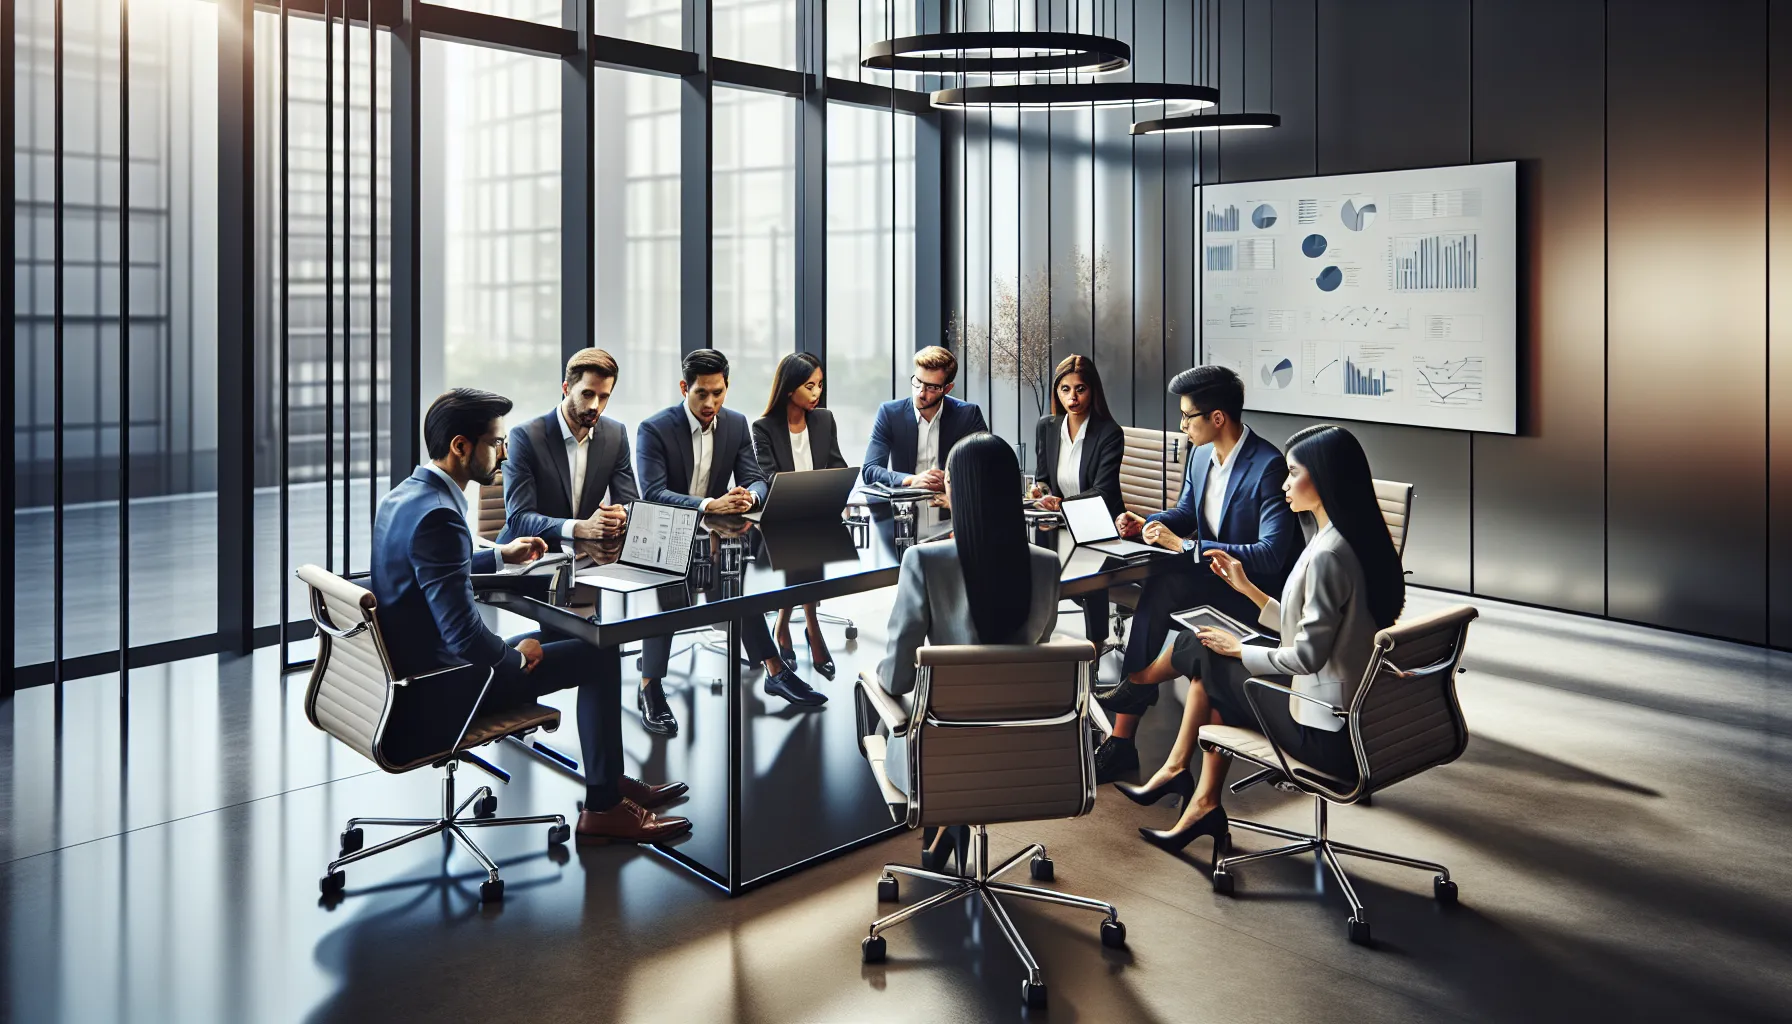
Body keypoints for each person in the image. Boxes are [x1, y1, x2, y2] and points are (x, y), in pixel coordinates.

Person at [371, 388, 690, 844]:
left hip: (413, 672)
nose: (503, 452)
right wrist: (516, 658)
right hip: (443, 688)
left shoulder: (405, 496)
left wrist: (501, 556)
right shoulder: (439, 517)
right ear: (461, 446)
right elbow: (464, 635)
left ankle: (609, 781)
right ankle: (603, 808)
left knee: (589, 644)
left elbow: (430, 570)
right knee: (597, 653)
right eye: (495, 442)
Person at [1118, 424, 1405, 857]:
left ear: (1323, 478)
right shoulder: (1353, 540)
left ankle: (1138, 687)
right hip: (1353, 716)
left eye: (1292, 473)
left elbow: (1307, 655)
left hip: (1325, 733)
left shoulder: (1327, 555)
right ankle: (1195, 794)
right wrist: (1247, 589)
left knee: (1206, 653)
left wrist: (1240, 650)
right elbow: (1310, 625)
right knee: (1209, 663)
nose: (1284, 483)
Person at [1094, 365, 1303, 783]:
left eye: (1188, 416)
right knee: (1162, 583)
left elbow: (1270, 554)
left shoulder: (1268, 466)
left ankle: (1131, 696)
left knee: (1168, 580)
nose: (1182, 425)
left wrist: (1186, 546)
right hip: (1212, 578)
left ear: (1217, 418)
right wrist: (1149, 523)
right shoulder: (1202, 453)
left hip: (1255, 596)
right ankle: (1123, 736)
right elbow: (1188, 514)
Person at [865, 432, 1063, 872]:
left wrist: (874, 677)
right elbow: (1040, 649)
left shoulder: (924, 561)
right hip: (1026, 756)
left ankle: (945, 821)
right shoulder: (1047, 565)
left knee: (885, 702)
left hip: (943, 761)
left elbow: (896, 678)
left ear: (955, 488)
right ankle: (949, 830)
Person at [635, 348, 825, 735]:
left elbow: (755, 476)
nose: (711, 402)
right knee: (668, 590)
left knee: (735, 586)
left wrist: (749, 496)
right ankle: (650, 686)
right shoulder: (654, 429)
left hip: (716, 535)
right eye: (702, 393)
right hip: (665, 533)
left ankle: (774, 670)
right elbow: (652, 492)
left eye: (718, 393)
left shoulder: (736, 424)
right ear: (684, 387)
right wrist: (709, 504)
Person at [751, 352, 849, 680]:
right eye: (810, 386)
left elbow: (835, 462)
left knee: (812, 541)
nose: (817, 392)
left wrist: (836, 488)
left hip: (817, 513)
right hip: (781, 520)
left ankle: (783, 624)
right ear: (790, 389)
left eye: (820, 385)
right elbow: (768, 477)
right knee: (804, 545)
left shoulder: (824, 420)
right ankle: (812, 626)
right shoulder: (763, 428)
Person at [499, 347, 638, 546]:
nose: (594, 406)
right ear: (566, 389)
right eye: (587, 394)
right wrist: (580, 527)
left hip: (588, 554)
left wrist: (622, 514)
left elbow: (629, 501)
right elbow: (519, 518)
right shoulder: (525, 437)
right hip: (530, 557)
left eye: (603, 396)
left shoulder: (616, 434)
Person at [861, 347, 990, 518]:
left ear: (947, 388)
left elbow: (987, 468)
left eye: (931, 387)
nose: (920, 392)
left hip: (953, 513)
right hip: (903, 515)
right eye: (917, 382)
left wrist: (952, 480)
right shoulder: (890, 413)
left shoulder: (968, 415)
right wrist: (911, 480)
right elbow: (870, 470)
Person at [1031, 354, 1125, 517]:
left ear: (1093, 391)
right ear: (1057, 391)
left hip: (1102, 522)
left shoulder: (1110, 434)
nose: (1072, 397)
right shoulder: (1047, 427)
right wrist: (1042, 493)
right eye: (1065, 389)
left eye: (1080, 389)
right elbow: (1043, 480)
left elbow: (1103, 493)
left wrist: (1061, 505)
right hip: (1060, 521)